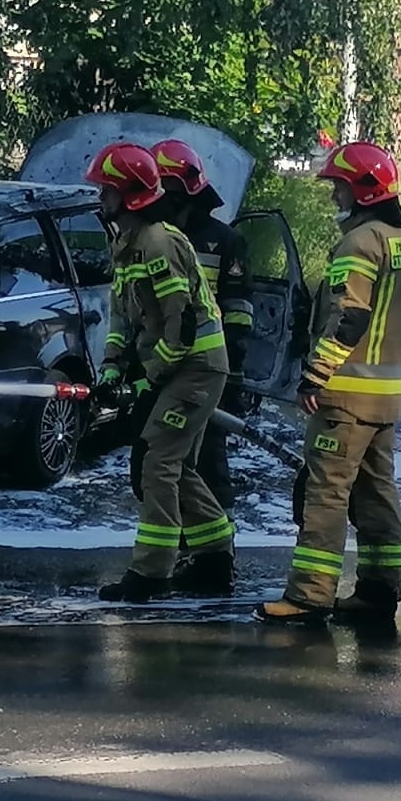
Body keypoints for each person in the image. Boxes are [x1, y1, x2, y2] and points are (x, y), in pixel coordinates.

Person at [252, 141, 401, 626]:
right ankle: (378, 592)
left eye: (339, 187)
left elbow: (348, 317)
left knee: (326, 494)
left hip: (347, 397)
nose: (335, 198)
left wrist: (316, 375)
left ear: (363, 191)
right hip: (386, 399)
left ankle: (309, 596)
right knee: (377, 494)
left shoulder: (359, 242)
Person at [86, 142, 235, 602]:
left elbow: (181, 323)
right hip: (177, 366)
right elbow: (121, 318)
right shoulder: (126, 244)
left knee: (157, 461)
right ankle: (214, 559)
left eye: (107, 191)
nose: (100, 199)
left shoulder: (158, 242)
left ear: (130, 194)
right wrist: (112, 368)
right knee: (174, 463)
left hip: (195, 367)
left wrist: (147, 381)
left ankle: (150, 574)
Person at [144, 139, 255, 516]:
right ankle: (180, 542)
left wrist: (235, 373)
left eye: (171, 190)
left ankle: (216, 545)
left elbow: (238, 312)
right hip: (162, 366)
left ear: (191, 191)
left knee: (208, 460)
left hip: (208, 368)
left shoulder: (224, 241)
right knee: (161, 461)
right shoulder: (151, 238)